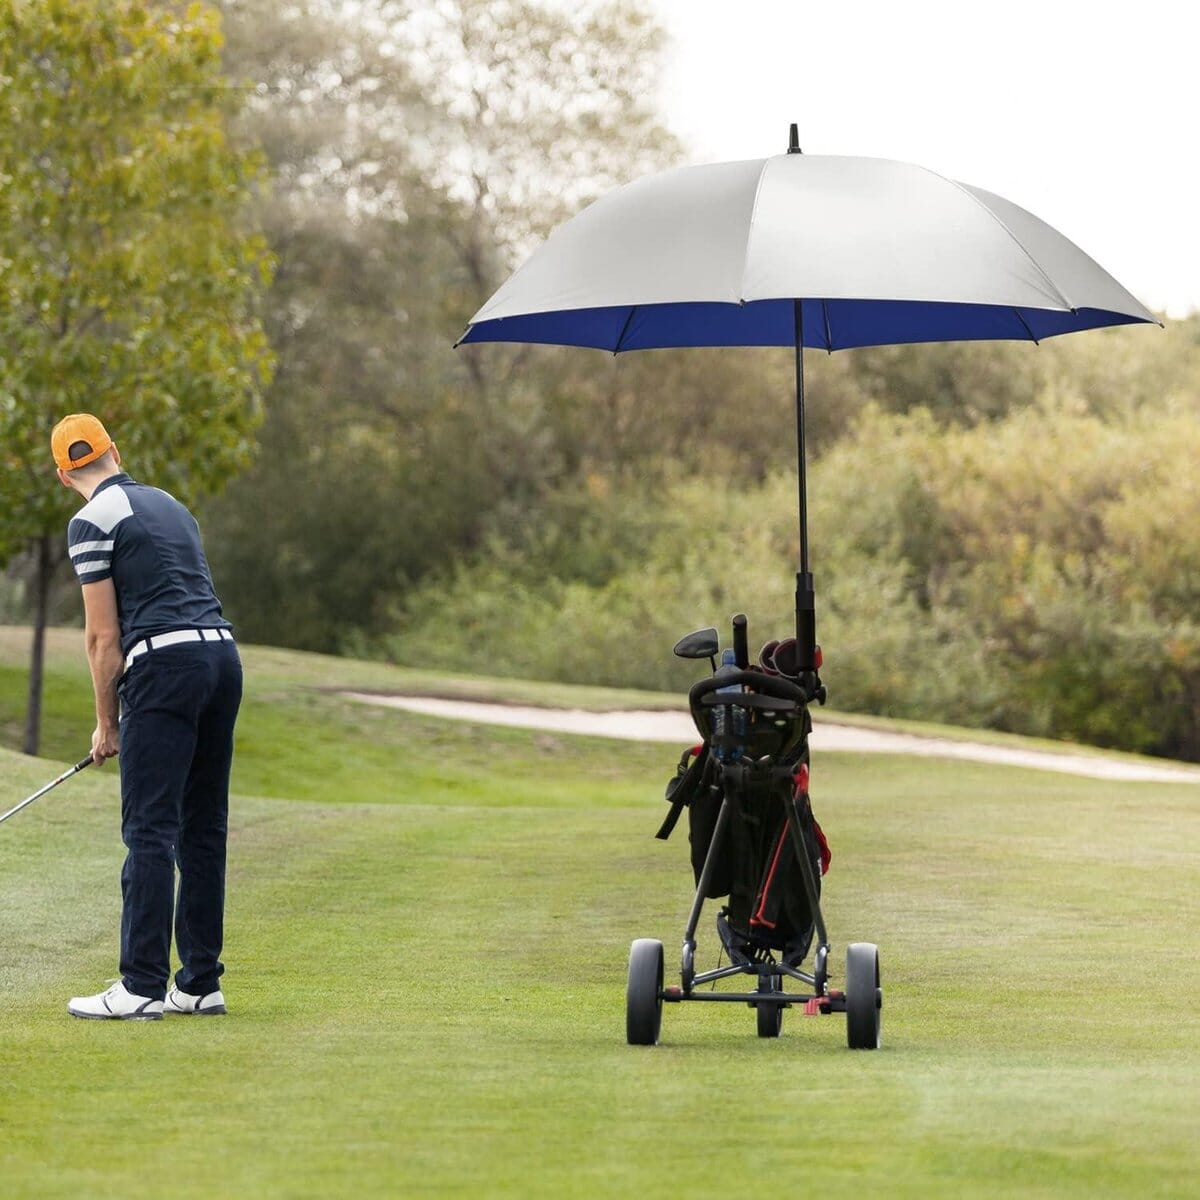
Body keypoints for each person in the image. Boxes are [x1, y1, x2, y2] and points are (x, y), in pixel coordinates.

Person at [51, 414, 242, 1021]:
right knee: (203, 829)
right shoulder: (170, 504)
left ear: (63, 475)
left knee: (150, 831)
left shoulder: (88, 522)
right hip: (222, 659)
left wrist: (106, 723)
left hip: (165, 667)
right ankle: (199, 983)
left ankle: (139, 986)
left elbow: (103, 639)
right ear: (115, 450)